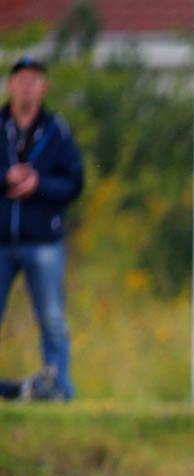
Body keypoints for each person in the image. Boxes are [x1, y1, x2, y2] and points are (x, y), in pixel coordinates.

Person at [1, 57, 84, 401]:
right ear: (11, 85)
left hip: (44, 240)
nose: (27, 86)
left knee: (52, 318)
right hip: (1, 238)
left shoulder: (57, 130)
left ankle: (58, 387)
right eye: (21, 80)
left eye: (34, 80)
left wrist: (38, 185)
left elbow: (75, 182)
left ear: (43, 88)